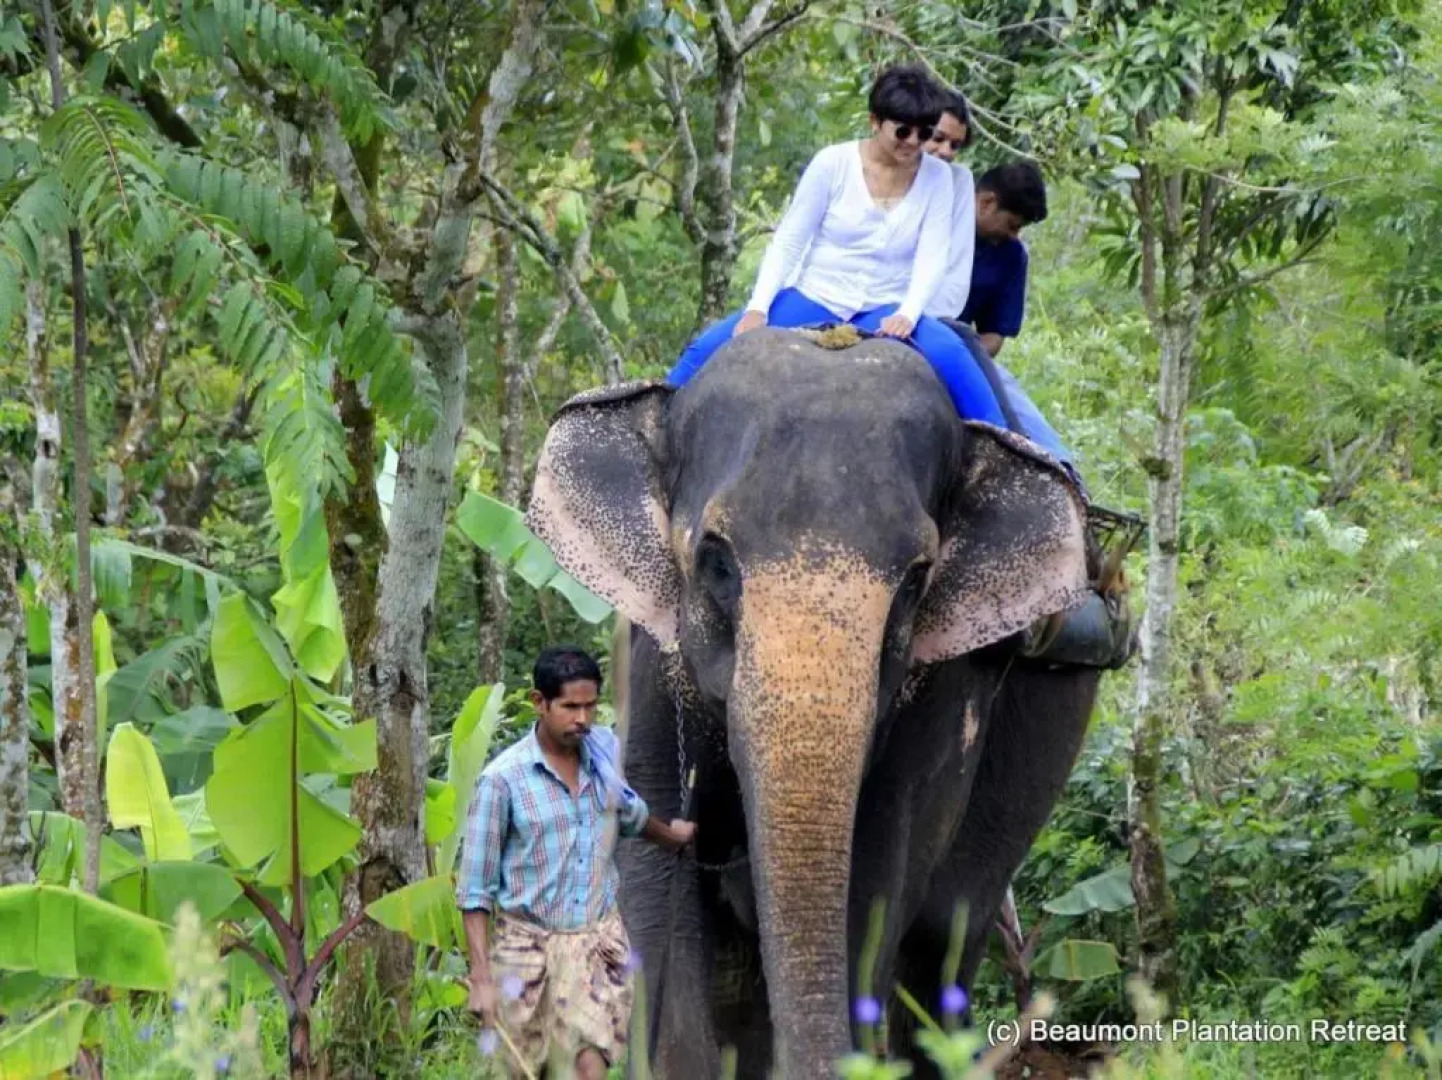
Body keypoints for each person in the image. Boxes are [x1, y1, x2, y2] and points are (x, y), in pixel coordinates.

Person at [666, 64, 1008, 429]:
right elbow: (790, 240)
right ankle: (651, 426)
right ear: (875, 121)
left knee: (955, 358)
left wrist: (908, 312)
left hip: (885, 305)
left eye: (923, 134)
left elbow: (933, 254)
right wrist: (758, 308)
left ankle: (1008, 459)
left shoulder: (938, 177)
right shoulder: (833, 163)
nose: (912, 143)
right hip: (817, 296)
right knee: (704, 350)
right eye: (902, 131)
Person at [457, 645, 697, 1079]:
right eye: (569, 707)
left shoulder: (603, 764)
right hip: (527, 952)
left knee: (590, 1067)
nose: (582, 719)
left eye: (589, 706)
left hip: (595, 944)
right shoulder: (502, 782)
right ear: (539, 702)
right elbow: (475, 890)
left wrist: (673, 836)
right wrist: (481, 977)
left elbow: (632, 817)